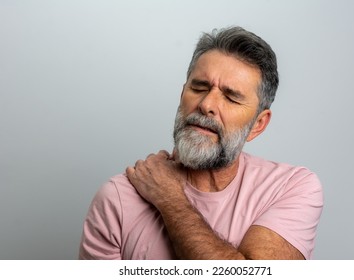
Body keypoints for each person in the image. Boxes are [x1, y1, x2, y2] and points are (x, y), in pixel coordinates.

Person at [79, 26, 323, 260]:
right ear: (182, 94)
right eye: (199, 87)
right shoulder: (117, 200)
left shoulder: (290, 188)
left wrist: (170, 199)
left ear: (258, 124)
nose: (206, 104)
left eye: (230, 97)